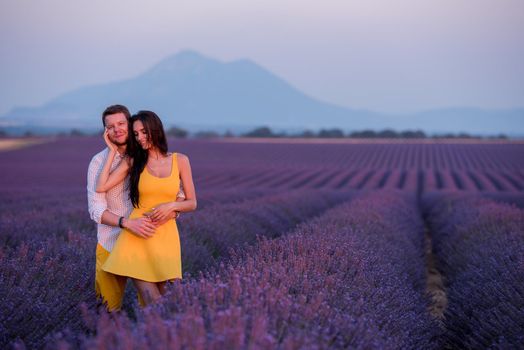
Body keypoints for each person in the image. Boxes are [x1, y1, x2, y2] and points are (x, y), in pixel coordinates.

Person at [87, 104, 184, 311]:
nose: (117, 129)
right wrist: (127, 223)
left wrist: (173, 209)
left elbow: (177, 190)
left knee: (155, 307)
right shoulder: (98, 162)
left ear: (130, 124)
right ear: (105, 131)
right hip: (110, 242)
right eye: (110, 126)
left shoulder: (145, 154)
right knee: (108, 310)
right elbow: (95, 209)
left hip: (150, 238)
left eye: (121, 123)